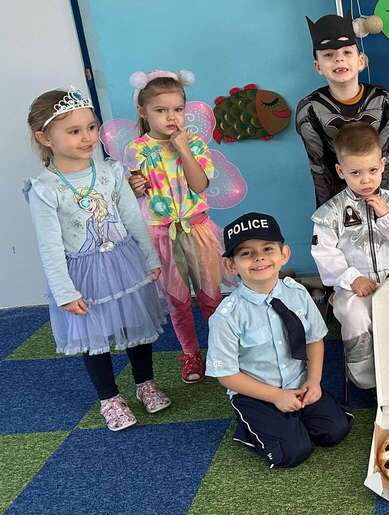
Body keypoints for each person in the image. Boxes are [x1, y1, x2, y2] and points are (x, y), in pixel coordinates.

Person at [25, 87, 169, 432]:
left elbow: (132, 218)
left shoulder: (111, 172)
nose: (88, 137)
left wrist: (149, 256)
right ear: (45, 138)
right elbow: (49, 245)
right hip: (83, 272)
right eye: (74, 131)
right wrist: (64, 291)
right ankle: (109, 398)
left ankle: (145, 382)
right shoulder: (45, 189)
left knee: (135, 323)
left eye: (91, 127)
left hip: (124, 261)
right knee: (94, 335)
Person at [206, 212, 352, 468]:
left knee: (335, 430)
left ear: (284, 254)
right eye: (246, 253)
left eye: (267, 249)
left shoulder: (298, 293)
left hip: (298, 382)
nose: (259, 257)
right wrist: (275, 396)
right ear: (231, 266)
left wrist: (313, 381)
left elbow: (314, 339)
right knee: (293, 452)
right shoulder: (227, 316)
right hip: (256, 393)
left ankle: (290, 421)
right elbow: (227, 375)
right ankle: (250, 429)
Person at [126, 69, 226, 383]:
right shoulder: (136, 149)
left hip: (198, 230)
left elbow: (200, 185)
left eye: (178, 109)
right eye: (161, 110)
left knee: (211, 297)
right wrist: (132, 187)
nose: (171, 117)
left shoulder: (194, 143)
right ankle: (190, 354)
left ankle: (222, 352)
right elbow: (132, 192)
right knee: (177, 301)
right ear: (143, 111)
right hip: (161, 234)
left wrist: (182, 148)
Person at [311, 123, 389, 389]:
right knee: (354, 314)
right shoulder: (330, 213)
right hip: (354, 284)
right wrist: (352, 279)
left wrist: (387, 216)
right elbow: (324, 253)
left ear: (382, 165)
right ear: (341, 171)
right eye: (355, 173)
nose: (366, 180)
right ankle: (369, 382)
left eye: (372, 170)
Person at [295, 14, 389, 207]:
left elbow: (382, 161)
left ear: (361, 61)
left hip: (374, 197)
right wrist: (329, 214)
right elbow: (319, 168)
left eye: (347, 52)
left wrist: (379, 207)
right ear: (318, 66)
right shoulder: (309, 110)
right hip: (335, 201)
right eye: (328, 55)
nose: (339, 58)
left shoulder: (383, 103)